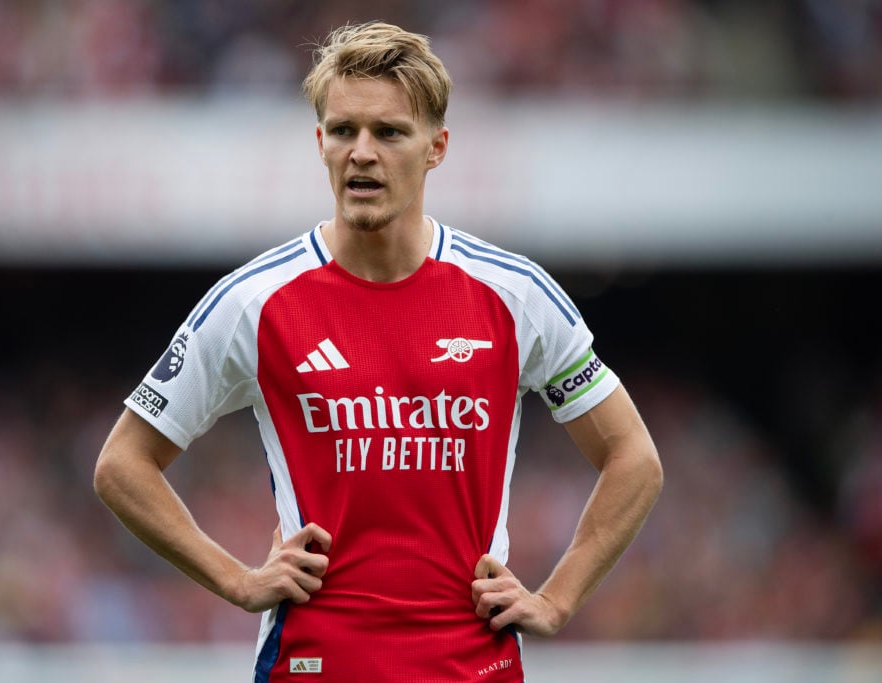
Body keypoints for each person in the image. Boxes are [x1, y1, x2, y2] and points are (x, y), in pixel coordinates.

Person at [94, 21, 662, 682]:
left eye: (389, 132)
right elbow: (122, 464)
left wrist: (557, 599)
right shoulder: (255, 301)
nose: (362, 152)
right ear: (320, 143)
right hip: (314, 662)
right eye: (343, 131)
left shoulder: (516, 296)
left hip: (471, 666)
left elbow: (634, 459)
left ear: (436, 147)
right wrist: (237, 579)